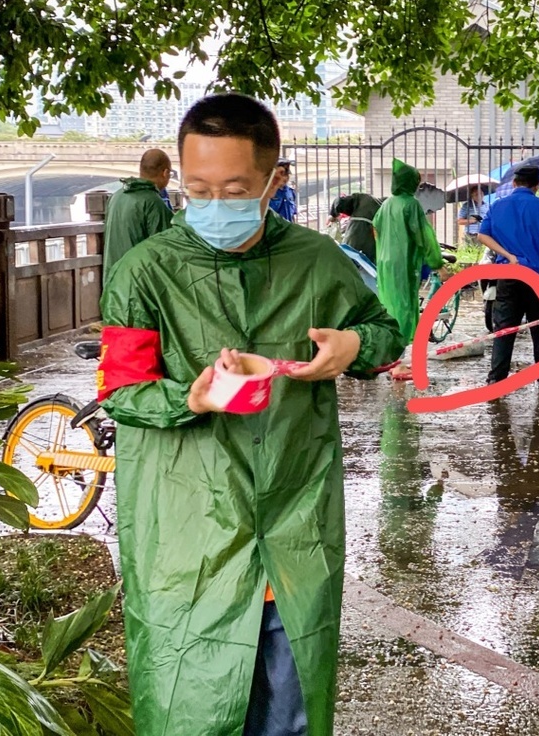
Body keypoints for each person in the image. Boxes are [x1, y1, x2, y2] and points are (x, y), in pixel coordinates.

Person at [96, 93, 404, 736]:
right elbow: (121, 391)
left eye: (234, 189)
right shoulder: (145, 272)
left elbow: (382, 334)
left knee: (287, 713)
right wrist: (193, 397)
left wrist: (355, 347)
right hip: (187, 537)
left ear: (272, 180)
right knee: (191, 704)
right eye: (197, 187)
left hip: (295, 525)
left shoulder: (317, 261)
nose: (214, 204)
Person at [477, 165, 539, 389]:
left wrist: (506, 255)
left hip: (508, 274)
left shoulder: (497, 205)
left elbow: (482, 235)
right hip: (536, 276)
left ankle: (496, 378)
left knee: (504, 327)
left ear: (514, 184)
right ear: (536, 185)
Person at [372, 158, 445, 379]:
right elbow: (424, 236)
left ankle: (390, 360)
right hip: (403, 265)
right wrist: (438, 264)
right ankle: (398, 364)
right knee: (402, 312)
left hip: (385, 265)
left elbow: (375, 228)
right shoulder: (410, 205)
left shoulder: (386, 204)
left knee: (390, 309)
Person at [102, 148, 173, 281]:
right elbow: (165, 252)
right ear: (165, 173)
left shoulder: (116, 197)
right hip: (138, 285)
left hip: (112, 281)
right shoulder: (153, 202)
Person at [329, 192, 382, 263]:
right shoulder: (383, 206)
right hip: (372, 249)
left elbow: (339, 202)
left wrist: (333, 214)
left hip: (353, 244)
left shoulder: (361, 199)